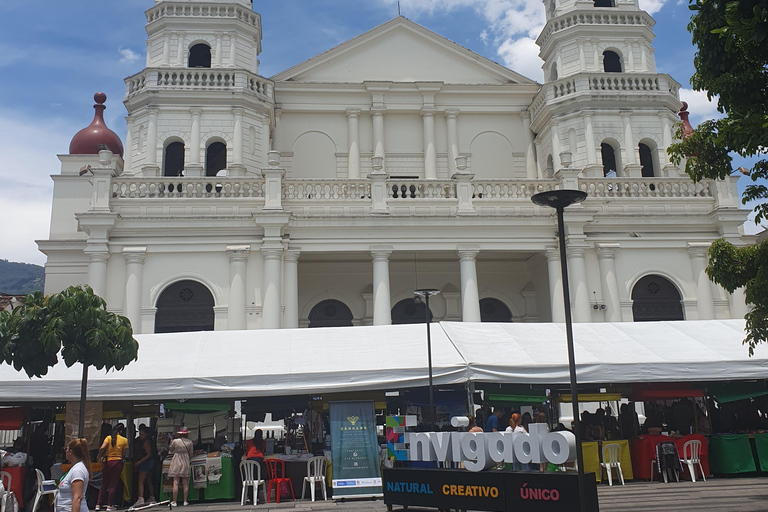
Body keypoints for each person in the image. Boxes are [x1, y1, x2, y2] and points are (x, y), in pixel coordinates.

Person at [96, 425, 128, 511]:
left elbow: (102, 447)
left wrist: (100, 455)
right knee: (113, 484)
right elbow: (124, 454)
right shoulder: (124, 440)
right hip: (117, 462)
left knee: (104, 484)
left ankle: (98, 504)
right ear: (121, 431)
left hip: (107, 461)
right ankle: (109, 505)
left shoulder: (108, 438)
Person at [56, 438, 91, 512]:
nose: (65, 451)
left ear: (70, 452)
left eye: (66, 449)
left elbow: (78, 497)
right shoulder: (74, 468)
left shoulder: (78, 470)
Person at [168, 427, 194, 507]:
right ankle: (185, 501)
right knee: (185, 483)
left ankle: (174, 501)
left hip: (176, 460)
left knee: (175, 482)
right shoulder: (190, 442)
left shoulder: (175, 441)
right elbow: (191, 453)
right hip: (185, 460)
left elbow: (170, 449)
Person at [132, 426, 157, 508]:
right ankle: (151, 496)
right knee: (149, 480)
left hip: (146, 462)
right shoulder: (150, 441)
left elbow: (148, 454)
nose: (140, 436)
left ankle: (140, 498)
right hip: (152, 462)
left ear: (146, 435)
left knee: (140, 481)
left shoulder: (146, 443)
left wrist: (139, 462)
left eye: (142, 434)